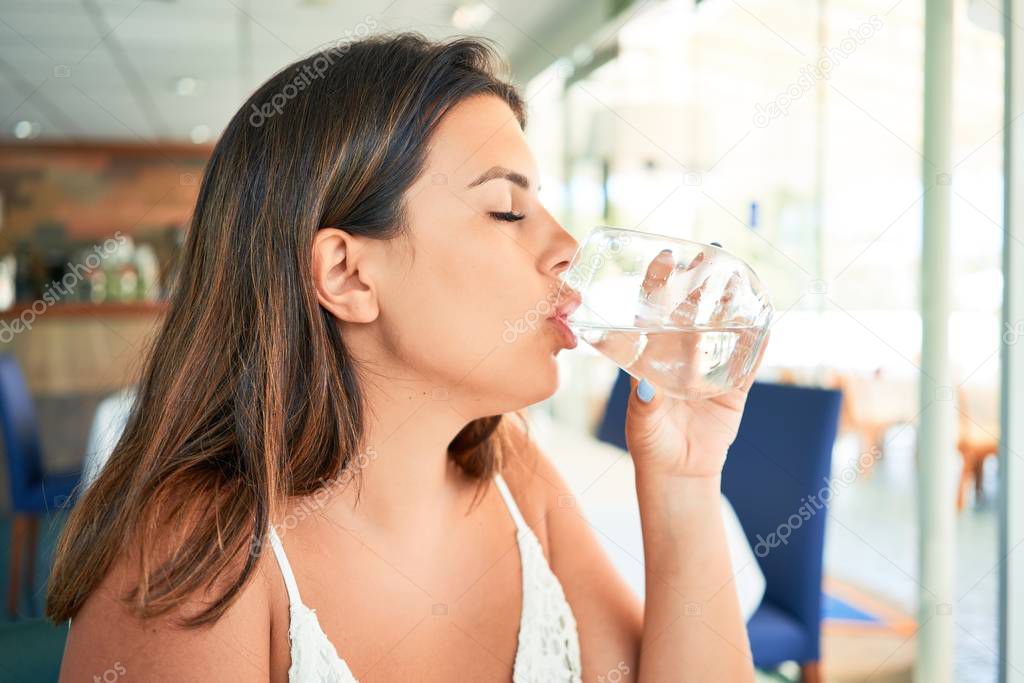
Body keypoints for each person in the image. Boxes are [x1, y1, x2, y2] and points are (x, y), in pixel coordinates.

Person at [47, 32, 766, 682]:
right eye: (507, 211)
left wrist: (683, 481)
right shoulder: (200, 557)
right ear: (349, 276)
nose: (570, 249)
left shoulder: (517, 480)